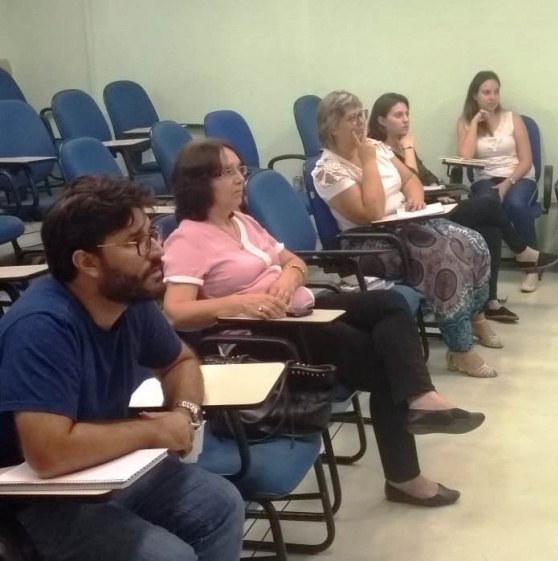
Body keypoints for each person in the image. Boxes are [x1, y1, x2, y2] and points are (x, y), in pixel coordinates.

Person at [161, 139, 485, 507]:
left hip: (300, 307)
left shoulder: (242, 221)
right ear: (199, 181)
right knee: (383, 364)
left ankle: (421, 397)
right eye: (228, 172)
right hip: (265, 334)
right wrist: (243, 302)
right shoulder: (187, 239)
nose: (240, 179)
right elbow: (177, 312)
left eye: (241, 169)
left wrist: (289, 276)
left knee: (390, 303)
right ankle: (405, 475)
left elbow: (294, 261)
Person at [0, 176, 245, 561]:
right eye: (137, 243)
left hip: (104, 470)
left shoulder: (129, 300)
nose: (158, 252)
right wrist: (154, 430)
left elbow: (180, 361)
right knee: (167, 556)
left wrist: (184, 413)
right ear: (87, 263)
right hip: (33, 500)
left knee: (220, 505)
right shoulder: (41, 326)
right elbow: (48, 452)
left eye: (153, 235)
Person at [312, 90, 502, 376]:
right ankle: (460, 348)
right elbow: (371, 213)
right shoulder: (328, 171)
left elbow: (411, 179)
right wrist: (368, 162)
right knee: (444, 259)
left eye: (361, 115)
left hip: (406, 223)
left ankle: (474, 316)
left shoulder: (375, 146)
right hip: (371, 243)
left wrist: (415, 198)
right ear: (332, 127)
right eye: (351, 119)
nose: (360, 124)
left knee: (472, 241)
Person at [368, 92, 558, 322]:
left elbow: (427, 178)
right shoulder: (379, 152)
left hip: (432, 207)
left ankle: (491, 300)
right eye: (398, 115)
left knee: (491, 227)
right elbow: (411, 182)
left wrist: (442, 191)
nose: (406, 120)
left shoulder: (402, 146)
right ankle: (523, 253)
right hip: (413, 219)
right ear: (381, 121)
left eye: (407, 114)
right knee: (489, 204)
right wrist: (409, 149)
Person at [457, 70, 558, 293]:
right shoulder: (466, 122)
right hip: (485, 178)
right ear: (475, 95)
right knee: (487, 207)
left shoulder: (513, 118)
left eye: (496, 92)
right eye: (486, 92)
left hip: (519, 175)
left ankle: (531, 267)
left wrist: (507, 183)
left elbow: (526, 160)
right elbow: (464, 158)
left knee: (515, 204)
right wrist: (474, 123)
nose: (492, 97)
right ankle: (488, 272)